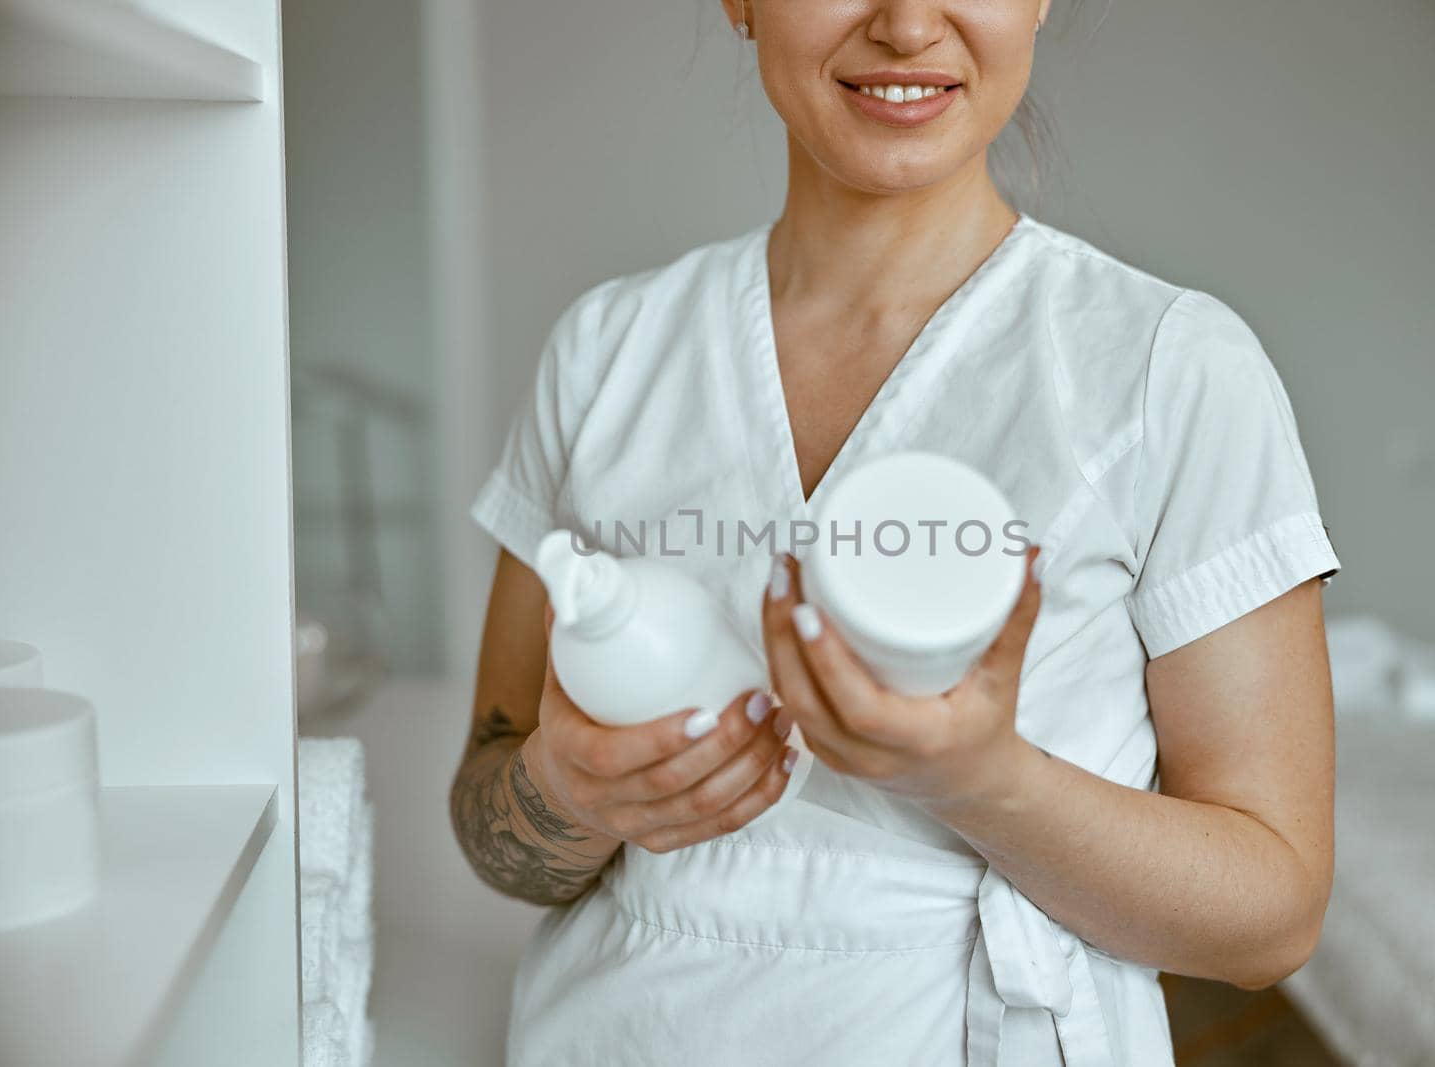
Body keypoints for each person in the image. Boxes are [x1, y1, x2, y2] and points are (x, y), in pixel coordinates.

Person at [450, 2, 1343, 1064]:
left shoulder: (1169, 370)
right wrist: (566, 788)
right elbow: (491, 821)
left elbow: (1270, 920)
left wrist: (983, 780)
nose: (910, 24)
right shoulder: (606, 353)